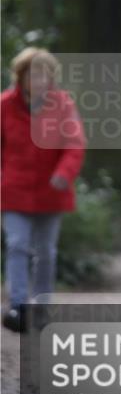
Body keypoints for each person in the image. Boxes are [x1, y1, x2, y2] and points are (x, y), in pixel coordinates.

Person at [1, 48, 86, 333]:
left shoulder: (62, 105)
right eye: (33, 74)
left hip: (52, 192)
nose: (39, 81)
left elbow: (75, 143)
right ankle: (17, 305)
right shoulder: (4, 106)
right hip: (14, 190)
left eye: (44, 75)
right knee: (17, 244)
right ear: (21, 76)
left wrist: (64, 173)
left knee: (46, 252)